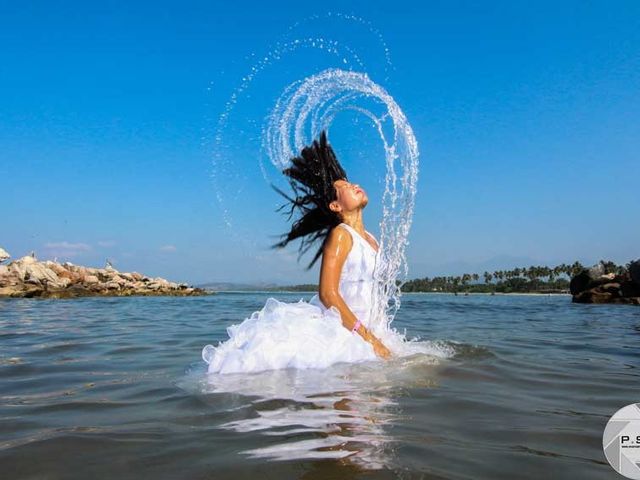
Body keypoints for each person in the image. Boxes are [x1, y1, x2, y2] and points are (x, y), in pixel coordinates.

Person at [202, 131, 393, 374]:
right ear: (335, 206)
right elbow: (327, 294)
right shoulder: (341, 235)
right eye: (344, 187)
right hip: (346, 332)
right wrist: (367, 338)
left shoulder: (372, 239)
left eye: (351, 182)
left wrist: (376, 335)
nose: (353, 185)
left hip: (368, 329)